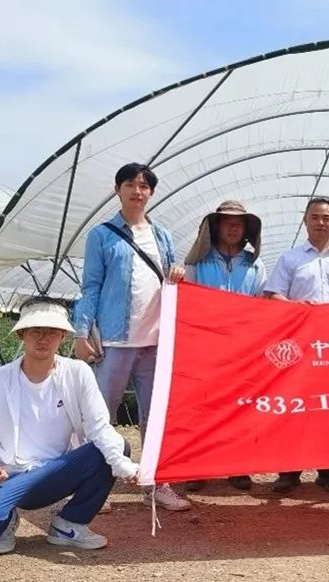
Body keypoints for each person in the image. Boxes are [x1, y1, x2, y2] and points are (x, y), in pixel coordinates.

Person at [0, 297, 139, 555]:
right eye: (35, 331)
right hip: (8, 476)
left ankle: (70, 523)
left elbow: (99, 427)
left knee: (117, 445)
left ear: (63, 335)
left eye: (52, 331)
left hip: (55, 472)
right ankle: (3, 521)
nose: (43, 339)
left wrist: (121, 464)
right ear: (21, 334)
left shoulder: (77, 373)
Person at [71, 162, 190, 511]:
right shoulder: (102, 235)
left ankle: (156, 484)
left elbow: (170, 277)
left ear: (151, 193)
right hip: (116, 341)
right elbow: (91, 286)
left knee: (154, 418)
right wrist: (81, 332)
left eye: (144, 186)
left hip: (155, 343)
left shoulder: (162, 235)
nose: (137, 192)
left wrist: (177, 272)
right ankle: (92, 487)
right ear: (117, 190)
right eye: (130, 185)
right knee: (100, 416)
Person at [264, 197, 329, 495]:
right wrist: (296, 307)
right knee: (294, 406)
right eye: (315, 217)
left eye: (326, 218)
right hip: (298, 346)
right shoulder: (290, 259)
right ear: (305, 221)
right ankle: (289, 472)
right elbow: (273, 296)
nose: (321, 222)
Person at [182, 200, 267, 492]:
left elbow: (262, 306)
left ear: (247, 229)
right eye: (227, 222)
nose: (233, 227)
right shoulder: (196, 263)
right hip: (204, 348)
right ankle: (198, 467)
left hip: (243, 349)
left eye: (239, 223)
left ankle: (237, 466)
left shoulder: (255, 265)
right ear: (215, 226)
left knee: (240, 407)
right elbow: (186, 301)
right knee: (202, 407)